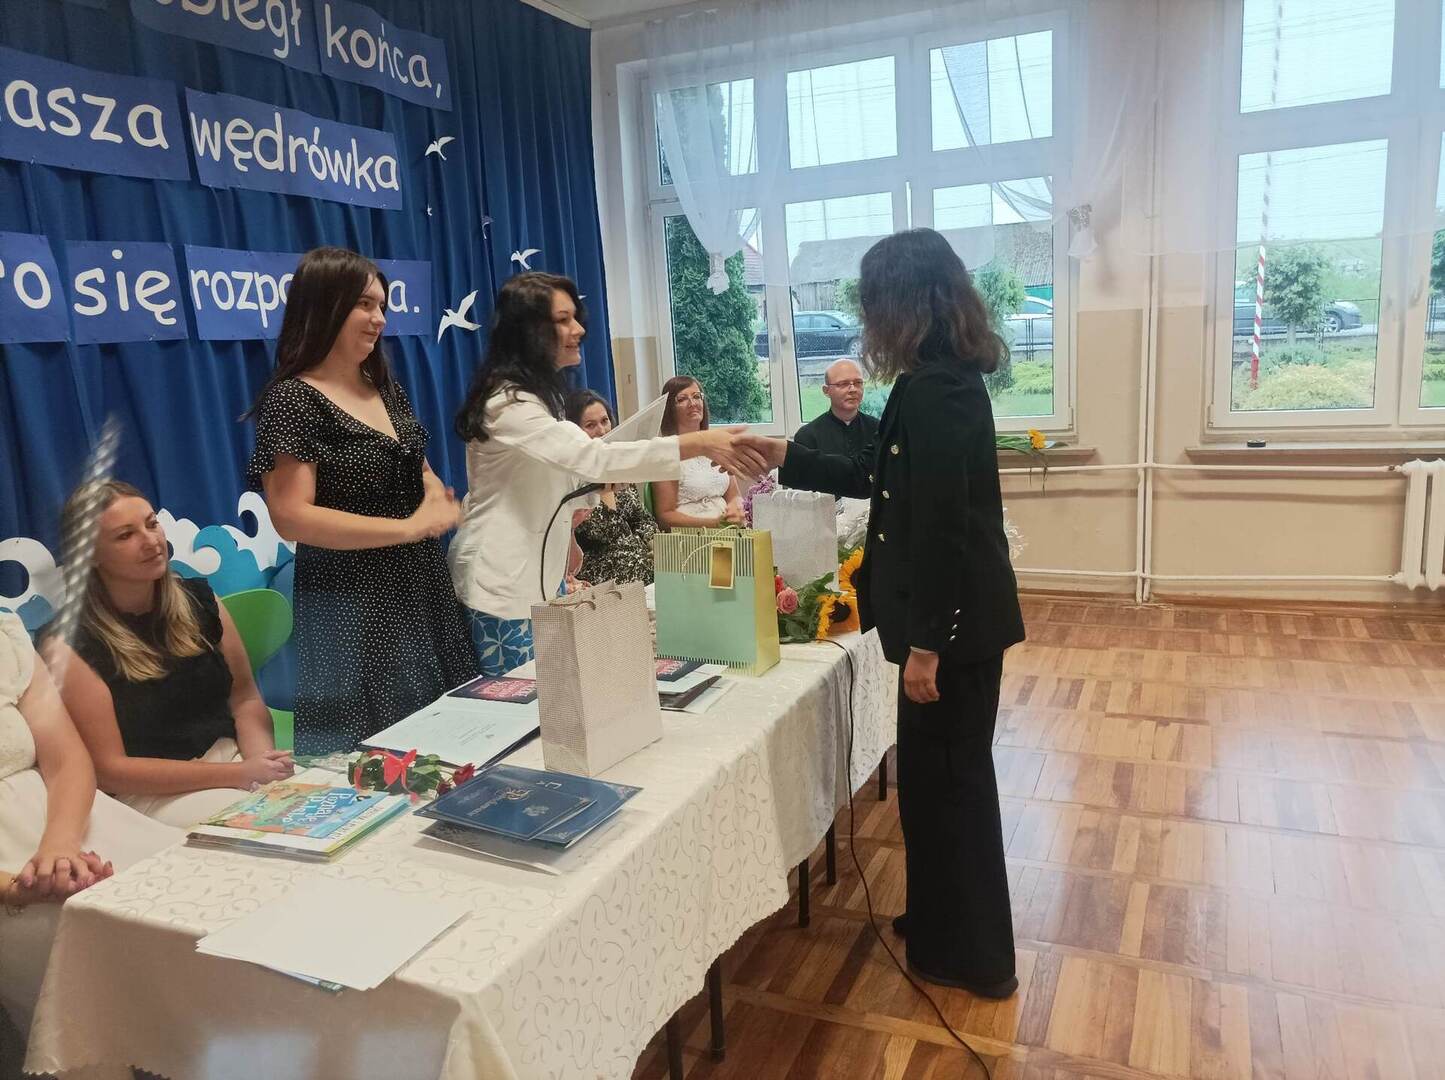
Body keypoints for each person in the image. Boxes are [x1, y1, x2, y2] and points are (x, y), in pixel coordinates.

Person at [740, 228, 1025, 999]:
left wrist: (928, 645)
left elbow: (940, 530)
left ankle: (977, 958)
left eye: (871, 303)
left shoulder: (940, 391)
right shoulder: (928, 382)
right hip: (942, 629)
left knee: (954, 788)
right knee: (929, 787)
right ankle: (935, 920)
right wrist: (783, 455)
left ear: (903, 303)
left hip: (951, 634)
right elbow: (877, 474)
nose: (866, 320)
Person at [449, 273, 766, 675]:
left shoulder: (541, 400)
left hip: (541, 577)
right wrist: (700, 442)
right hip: (501, 581)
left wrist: (592, 490)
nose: (579, 329)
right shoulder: (508, 404)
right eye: (563, 320)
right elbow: (593, 458)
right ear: (529, 330)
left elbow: (571, 477)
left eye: (575, 318)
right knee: (523, 698)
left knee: (555, 692)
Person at [246, 247, 478, 753]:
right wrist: (408, 528)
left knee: (450, 738)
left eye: (382, 306)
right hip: (352, 599)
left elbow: (417, 467)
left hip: (420, 583)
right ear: (324, 306)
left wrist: (437, 500)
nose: (379, 319)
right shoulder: (293, 400)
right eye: (365, 305)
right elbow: (291, 516)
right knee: (380, 755)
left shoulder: (385, 388)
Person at [45, 481, 295, 828]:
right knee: (272, 830)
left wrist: (263, 765)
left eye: (152, 524)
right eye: (125, 535)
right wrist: (239, 775)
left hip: (233, 762)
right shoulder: (71, 644)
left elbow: (245, 699)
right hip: (153, 793)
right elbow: (111, 770)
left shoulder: (200, 601)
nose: (150, 541)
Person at [0, 612, 179, 1040]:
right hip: (11, 871)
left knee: (183, 887)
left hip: (65, 819)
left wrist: (60, 847)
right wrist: (18, 887)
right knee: (85, 939)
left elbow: (67, 759)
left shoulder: (5, 637)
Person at [564, 391, 659, 587]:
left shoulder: (620, 470)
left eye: (604, 421)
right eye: (591, 425)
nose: (602, 430)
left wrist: (654, 542)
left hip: (646, 575)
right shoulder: (571, 483)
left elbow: (641, 519)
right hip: (602, 585)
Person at [651, 376, 745, 530]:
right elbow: (665, 517)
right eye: (682, 399)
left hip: (728, 531)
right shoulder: (666, 453)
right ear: (669, 409)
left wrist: (737, 509)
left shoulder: (717, 445)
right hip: (690, 537)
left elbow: (734, 496)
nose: (692, 403)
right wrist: (715, 524)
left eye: (696, 397)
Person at [793, 359, 879, 456]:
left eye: (858, 383)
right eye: (843, 384)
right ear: (826, 391)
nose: (853, 389)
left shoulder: (878, 429)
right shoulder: (808, 437)